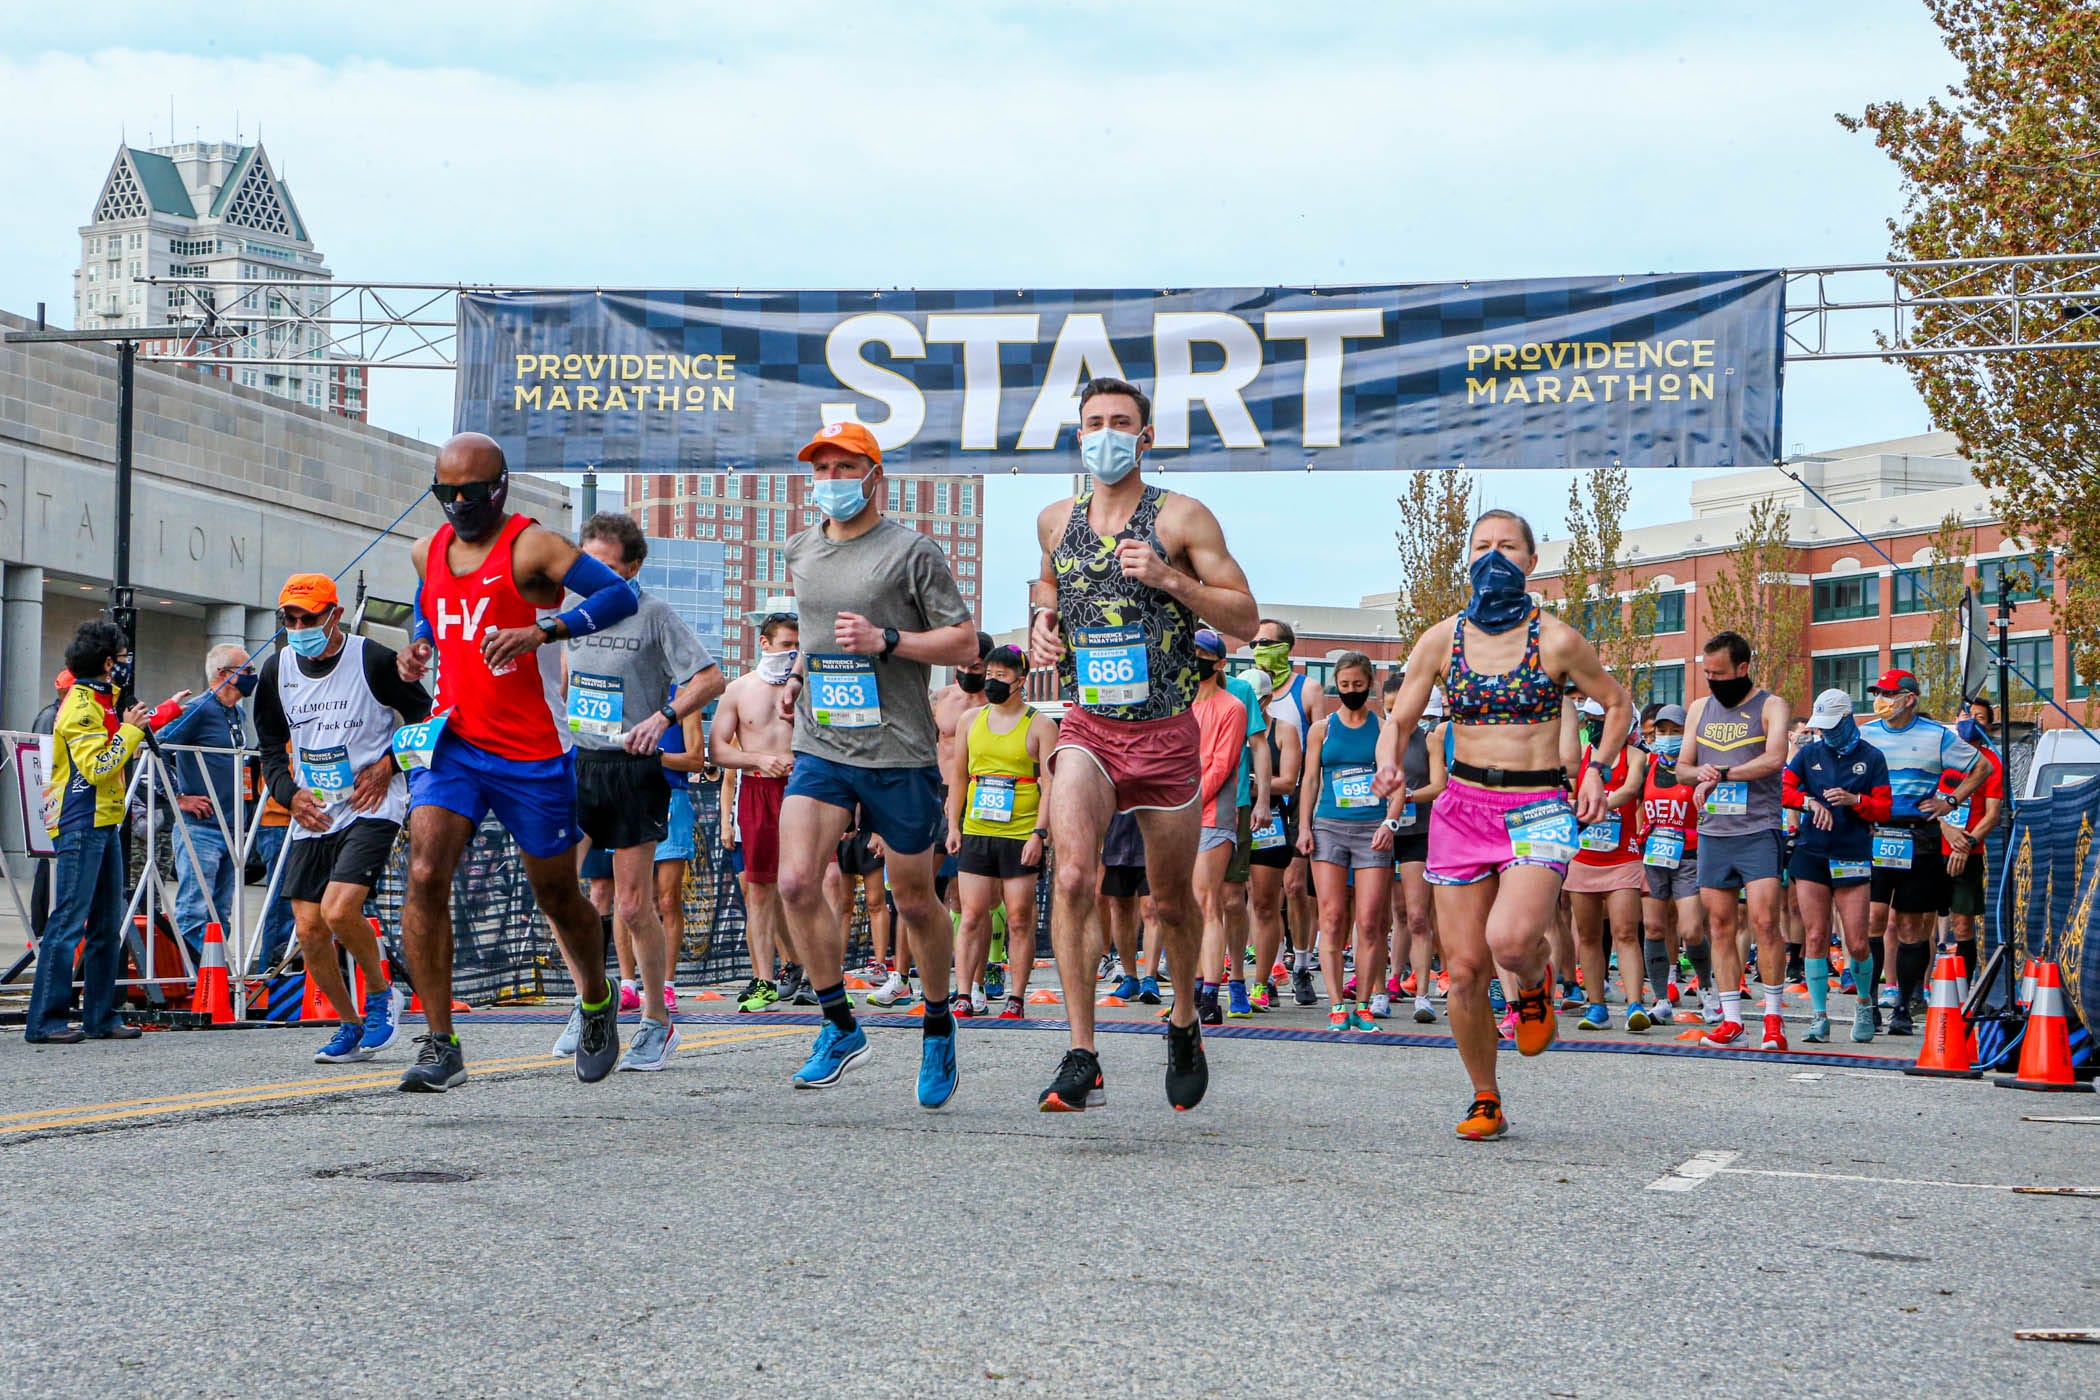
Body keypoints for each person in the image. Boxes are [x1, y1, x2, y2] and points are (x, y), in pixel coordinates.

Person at [1029, 377, 1259, 1113]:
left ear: (1145, 436)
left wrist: (1169, 578)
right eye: (1093, 422)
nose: (1105, 434)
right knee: (1072, 877)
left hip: (1164, 735)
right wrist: (1041, 626)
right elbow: (1048, 589)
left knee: (1171, 901)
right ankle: (1081, 1051)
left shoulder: (1183, 517)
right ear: (1078, 436)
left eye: (1120, 423)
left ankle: (1184, 1020)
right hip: (1089, 729)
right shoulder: (1053, 519)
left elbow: (1247, 618)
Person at [394, 432, 642, 1091]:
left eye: (471, 494)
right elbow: (429, 601)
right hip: (453, 743)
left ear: (500, 487)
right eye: (445, 493)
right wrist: (419, 643)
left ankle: (595, 998)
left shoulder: (533, 545)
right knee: (423, 872)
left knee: (556, 893)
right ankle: (441, 1042)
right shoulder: (427, 549)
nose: (458, 505)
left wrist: (545, 629)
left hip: (532, 747)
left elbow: (619, 597)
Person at [1375, 509, 1630, 1140]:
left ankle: (1536, 981)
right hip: (1461, 807)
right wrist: (1390, 766)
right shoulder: (1441, 639)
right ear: (1469, 560)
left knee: (1511, 943)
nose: (1494, 557)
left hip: (1538, 804)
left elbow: (1618, 703)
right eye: (1482, 546)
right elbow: (1401, 718)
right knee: (1462, 969)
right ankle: (1485, 1096)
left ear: (1531, 561)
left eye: (1507, 546)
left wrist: (1596, 768)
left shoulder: (1559, 640)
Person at [773, 420, 979, 1106]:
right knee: (797, 881)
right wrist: (799, 679)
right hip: (823, 743)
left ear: (874, 476)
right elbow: (812, 637)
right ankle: (838, 1024)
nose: (830, 480)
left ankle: (939, 1020)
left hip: (898, 750)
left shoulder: (911, 551)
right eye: (820, 469)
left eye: (843, 467)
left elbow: (964, 642)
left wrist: (886, 639)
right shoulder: (800, 548)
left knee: (915, 898)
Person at [546, 512, 723, 1073]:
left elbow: (710, 678)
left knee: (631, 904)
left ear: (633, 567)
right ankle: (591, 1003)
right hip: (579, 764)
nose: (589, 575)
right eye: (583, 563)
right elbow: (566, 684)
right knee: (555, 890)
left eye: (602, 565)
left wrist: (663, 716)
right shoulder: (570, 616)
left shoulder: (654, 613)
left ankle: (655, 1021)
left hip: (632, 768)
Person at [251, 573, 429, 1064]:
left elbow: (427, 718)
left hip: (374, 803)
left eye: (309, 617)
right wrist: (289, 794)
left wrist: (388, 765)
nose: (299, 626)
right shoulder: (276, 670)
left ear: (335, 615)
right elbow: (268, 747)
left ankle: (381, 993)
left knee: (338, 910)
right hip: (315, 809)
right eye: (291, 618)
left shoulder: (370, 658)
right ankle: (349, 1024)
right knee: (308, 927)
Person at [26, 620, 188, 1042]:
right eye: (121, 657)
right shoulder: (80, 707)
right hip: (80, 820)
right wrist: (133, 729)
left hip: (105, 820)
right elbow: (99, 766)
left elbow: (125, 731)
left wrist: (165, 710)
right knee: (69, 921)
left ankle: (101, 1016)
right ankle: (45, 1020)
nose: (125, 664)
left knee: (107, 922)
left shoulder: (104, 699)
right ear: (106, 662)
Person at [1676, 631, 1793, 1051]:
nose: (1713, 681)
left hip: (1758, 829)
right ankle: (1731, 1020)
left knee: (1764, 922)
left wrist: (1722, 773)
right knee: (1720, 926)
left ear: (1743, 669)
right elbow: (1683, 768)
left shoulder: (1771, 705)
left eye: (1720, 673)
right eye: (1707, 673)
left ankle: (1774, 1020)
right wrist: (1701, 775)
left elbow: (1775, 758)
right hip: (1714, 833)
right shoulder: (1699, 709)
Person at [1857, 668, 1986, 1035]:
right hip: (1876, 834)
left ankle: (1904, 1004)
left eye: (1888, 693)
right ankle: (1868, 1004)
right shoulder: (1864, 734)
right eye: (1877, 693)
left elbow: (1983, 767)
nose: (1881, 700)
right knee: (1873, 920)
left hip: (1920, 836)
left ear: (1909, 698)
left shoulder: (1938, 736)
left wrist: (1950, 800)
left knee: (1913, 927)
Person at [945, 644, 1058, 1019]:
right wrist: (953, 825)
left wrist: (1039, 834)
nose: (992, 681)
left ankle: (1017, 997)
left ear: (1020, 681)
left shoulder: (1040, 724)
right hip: (976, 828)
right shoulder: (970, 720)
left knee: (1019, 918)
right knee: (971, 914)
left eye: (1001, 676)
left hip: (1021, 832)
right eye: (989, 674)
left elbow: (1050, 784)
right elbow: (959, 777)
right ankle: (963, 993)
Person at [1783, 689, 1892, 1043]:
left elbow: (1884, 809)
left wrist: (1855, 800)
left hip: (1852, 854)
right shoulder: (1809, 753)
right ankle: (1819, 1016)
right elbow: (1782, 788)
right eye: (1822, 727)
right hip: (1811, 852)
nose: (1826, 733)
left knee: (1857, 940)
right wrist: (1807, 803)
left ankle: (1864, 1004)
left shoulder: (1872, 757)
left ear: (1848, 719)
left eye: (1832, 725)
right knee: (1814, 935)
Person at [1297, 650, 1397, 1031]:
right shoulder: (1321, 729)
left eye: (1357, 685)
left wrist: (1389, 823)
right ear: (1335, 688)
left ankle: (1365, 1003)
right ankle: (1337, 1004)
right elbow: (1308, 781)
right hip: (1329, 827)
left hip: (1371, 829)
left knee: (1370, 921)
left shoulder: (1384, 728)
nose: (1351, 691)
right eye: (1344, 686)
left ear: (1369, 684)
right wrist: (1304, 827)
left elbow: (1397, 779)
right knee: (1333, 917)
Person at [711, 612, 801, 1012]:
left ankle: (818, 976)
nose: (793, 653)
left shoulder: (810, 688)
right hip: (758, 789)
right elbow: (718, 750)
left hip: (805, 790)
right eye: (786, 645)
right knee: (760, 891)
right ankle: (764, 979)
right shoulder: (739, 689)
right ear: (764, 644)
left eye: (798, 646)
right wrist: (759, 759)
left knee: (818, 884)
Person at [1188, 629, 1268, 1024]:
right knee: (1183, 905)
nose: (1195, 659)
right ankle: (1190, 989)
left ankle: (1210, 995)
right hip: (1175, 814)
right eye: (1192, 653)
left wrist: (1189, 801)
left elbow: (1222, 764)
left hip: (1211, 812)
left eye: (1204, 654)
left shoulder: (1232, 706)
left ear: (1219, 662)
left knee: (1209, 901)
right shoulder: (1178, 703)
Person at [158, 643, 255, 962]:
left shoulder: (236, 713)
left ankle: (212, 976)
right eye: (247, 671)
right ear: (224, 674)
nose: (253, 677)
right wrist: (177, 798)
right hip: (201, 830)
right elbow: (155, 749)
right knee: (194, 909)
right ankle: (190, 979)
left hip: (231, 828)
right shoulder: (199, 709)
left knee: (220, 913)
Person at [1567, 700, 1655, 1032]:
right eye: (1589, 720)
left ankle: (1635, 1004)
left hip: (1622, 857)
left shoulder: (1635, 757)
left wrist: (1597, 801)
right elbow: (1571, 794)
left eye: (1599, 719)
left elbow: (1631, 790)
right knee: (1589, 936)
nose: (1593, 726)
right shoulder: (1582, 756)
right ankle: (1597, 1006)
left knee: (1625, 932)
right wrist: (1580, 803)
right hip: (1584, 857)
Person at [1253, 618, 1324, 1003]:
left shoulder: (1307, 689)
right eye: (1255, 642)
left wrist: (1313, 809)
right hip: (1259, 804)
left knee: (1295, 887)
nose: (1260, 647)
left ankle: (1301, 964)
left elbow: (1321, 747)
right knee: (1261, 895)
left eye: (1268, 641)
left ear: (1287, 647)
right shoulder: (1247, 687)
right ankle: (1271, 968)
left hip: (1296, 800)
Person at [1637, 704, 1712, 1024]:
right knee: (1654, 927)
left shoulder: (1698, 767)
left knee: (1692, 929)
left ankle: (1707, 992)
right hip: (1654, 855)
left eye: (1675, 731)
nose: (1667, 738)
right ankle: (1660, 998)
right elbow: (1636, 802)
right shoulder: (1647, 766)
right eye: (1661, 732)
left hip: (1691, 855)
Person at [1246, 669, 1305, 1013]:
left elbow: (1288, 782)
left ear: (1268, 700)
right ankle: (1233, 975)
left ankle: (1262, 980)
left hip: (1271, 822)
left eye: (1256, 701)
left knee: (1266, 903)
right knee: (1230, 902)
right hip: (1234, 818)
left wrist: (1253, 785)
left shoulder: (1283, 730)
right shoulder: (1232, 723)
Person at [932, 631, 995, 916]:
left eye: (975, 668)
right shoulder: (943, 698)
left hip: (979, 794)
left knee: (972, 891)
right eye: (963, 666)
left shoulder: (996, 706)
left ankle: (980, 956)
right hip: (939, 792)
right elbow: (926, 747)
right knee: (928, 883)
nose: (967, 673)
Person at [1940, 709, 2004, 982]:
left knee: (1963, 924)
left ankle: (1964, 990)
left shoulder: (1991, 763)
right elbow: (1921, 799)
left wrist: (1965, 844)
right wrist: (1946, 829)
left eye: (1978, 717)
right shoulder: (1941, 755)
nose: (1969, 722)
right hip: (1931, 846)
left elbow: (1993, 815)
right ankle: (1916, 992)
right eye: (1965, 715)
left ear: (1988, 726)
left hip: (1967, 853)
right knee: (1917, 921)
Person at [1098, 812, 1158, 1004]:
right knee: (1119, 907)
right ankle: (1130, 977)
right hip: (1117, 839)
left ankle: (1150, 979)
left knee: (1151, 907)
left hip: (1152, 840)